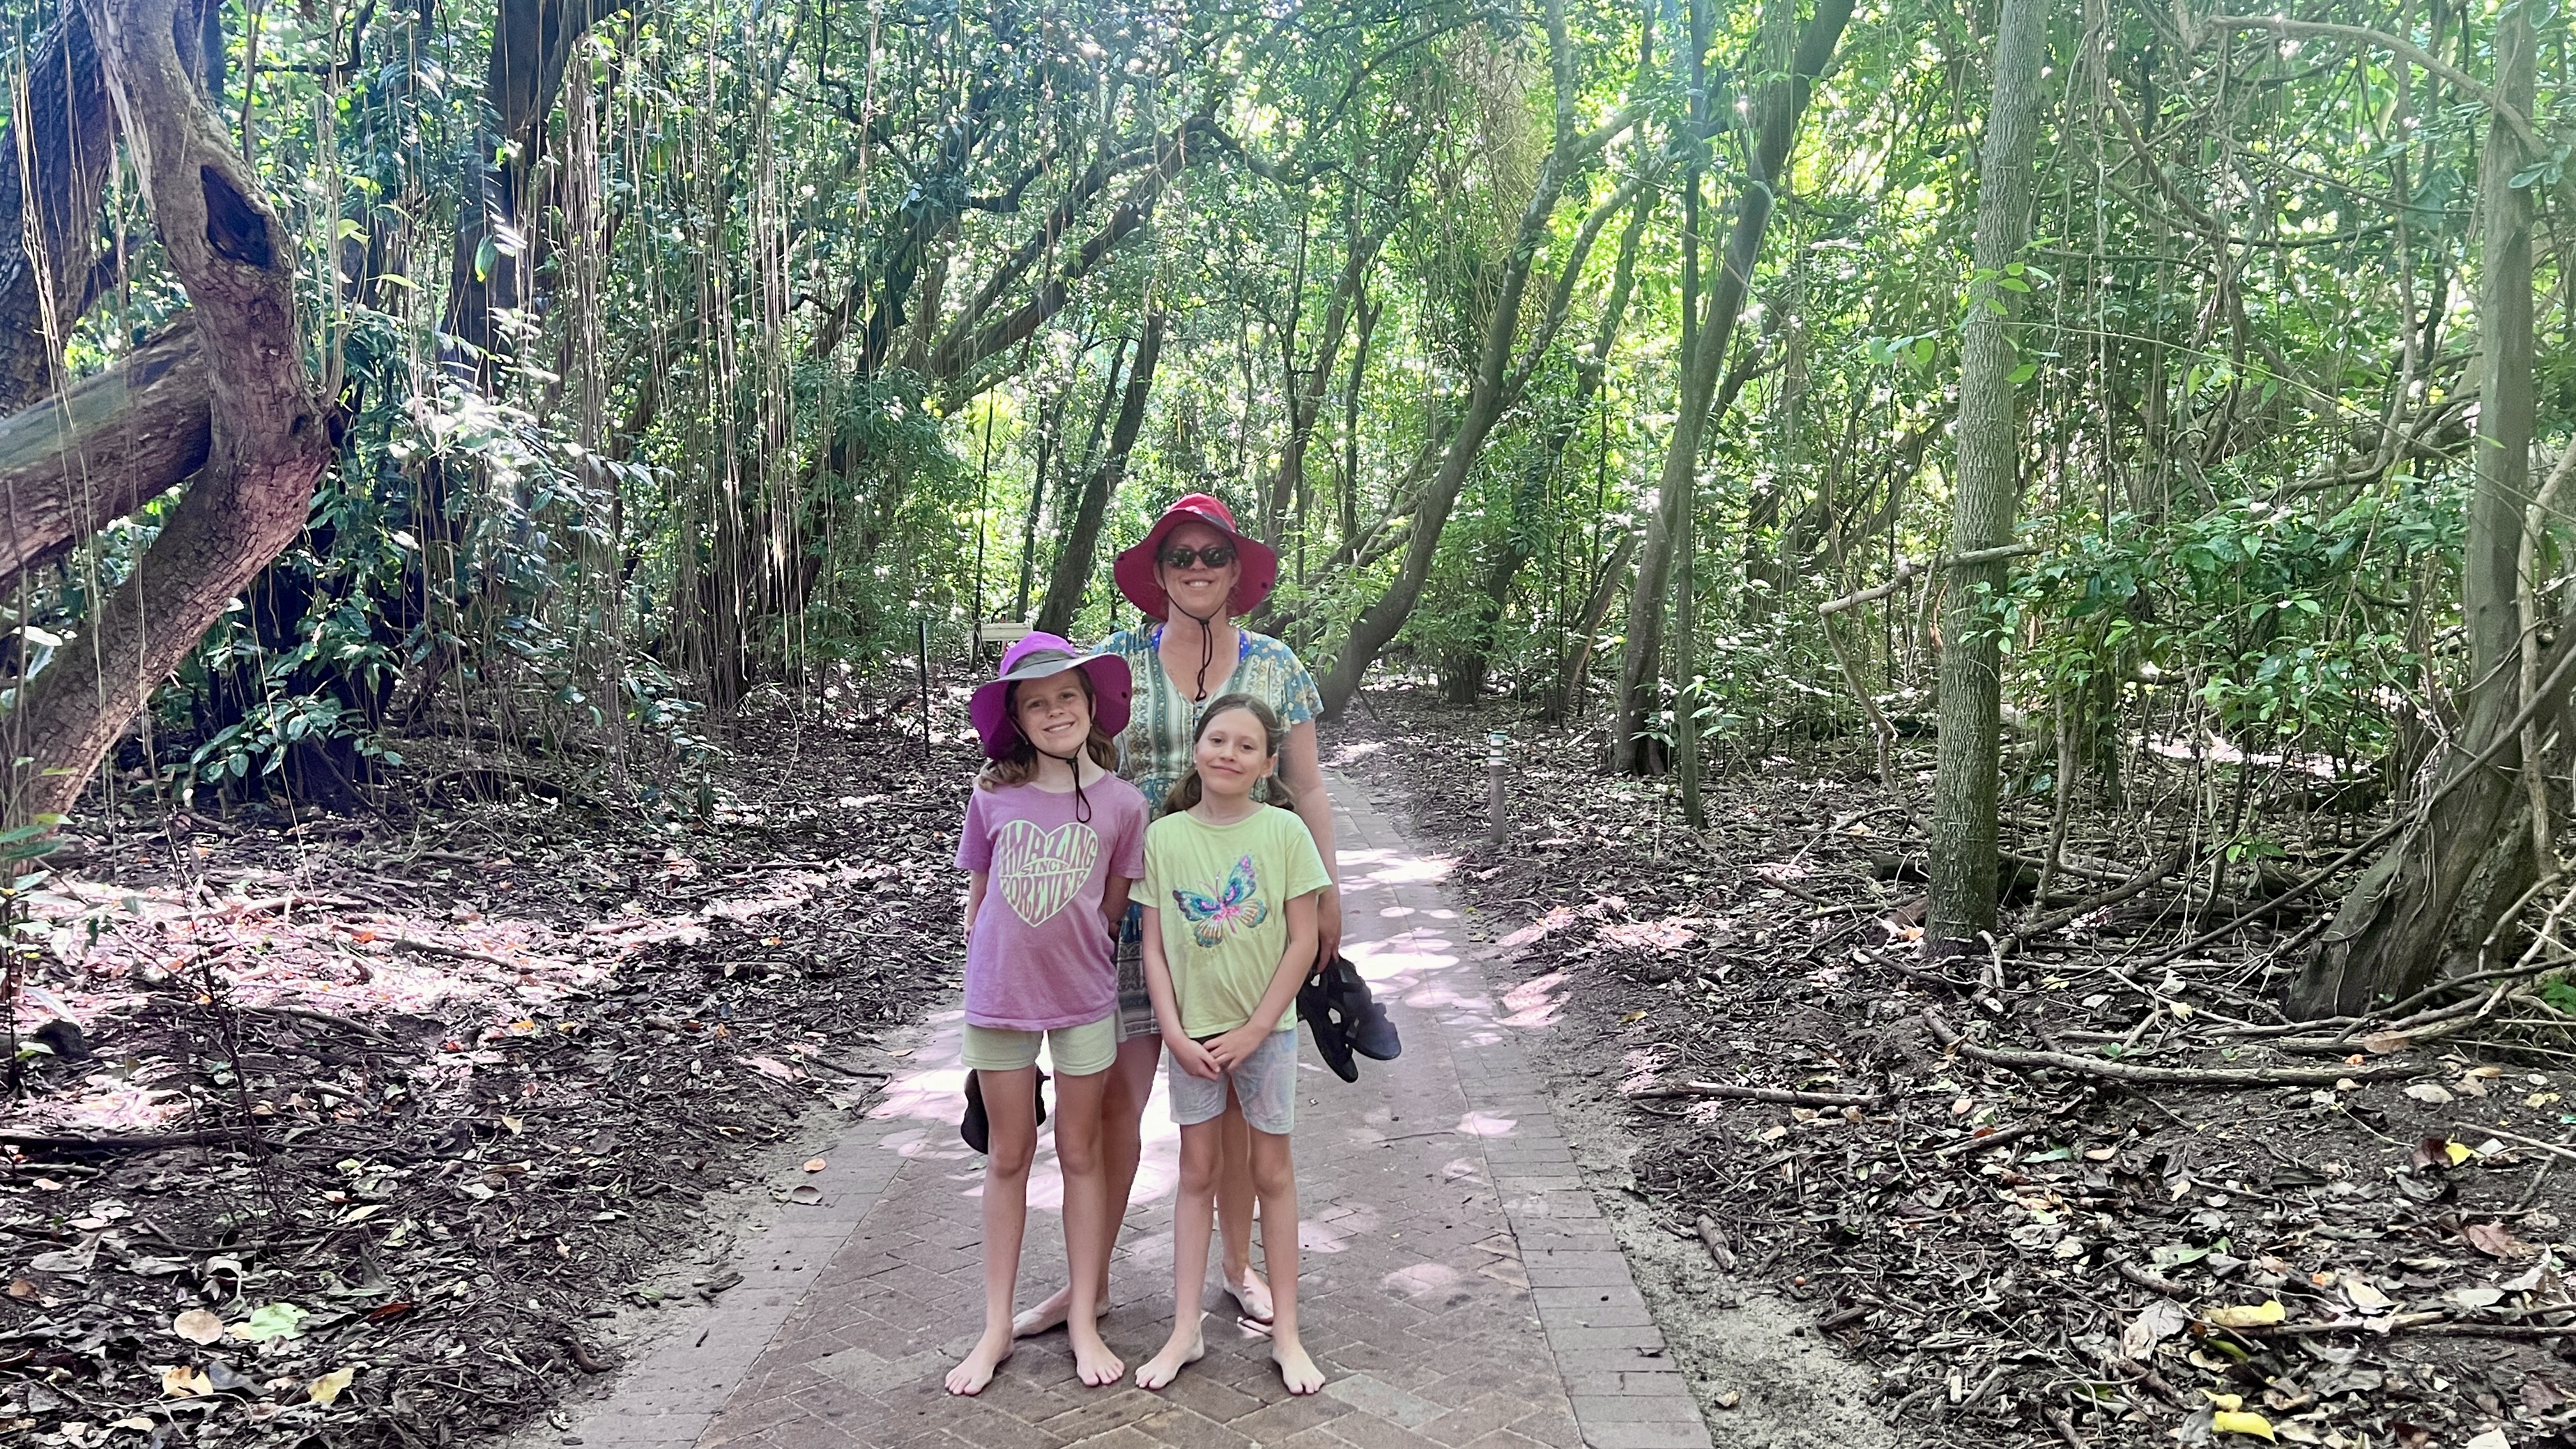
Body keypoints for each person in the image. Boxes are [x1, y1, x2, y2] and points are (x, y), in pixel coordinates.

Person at [1016, 493, 1343, 1338]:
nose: (1198, 570)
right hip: (1131, 908)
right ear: (1156, 573)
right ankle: (1084, 1286)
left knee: (1233, 1106)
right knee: (1116, 1103)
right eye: (1181, 557)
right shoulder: (1116, 658)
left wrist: (1328, 895)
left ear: (1237, 571)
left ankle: (1236, 1269)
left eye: (1213, 557)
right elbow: (1064, 740)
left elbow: (1306, 786)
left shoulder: (1277, 665)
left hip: (1245, 917)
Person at [946, 634, 1149, 1395]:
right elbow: (978, 904)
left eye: (1067, 696)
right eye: (1036, 702)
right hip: (1000, 999)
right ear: (1017, 718)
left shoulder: (1126, 805)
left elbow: (1111, 912)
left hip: (1085, 1002)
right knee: (1008, 1155)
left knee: (1082, 1155)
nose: (1054, 710)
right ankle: (996, 1325)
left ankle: (1085, 1316)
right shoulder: (991, 796)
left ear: (1091, 706)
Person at [1133, 694, 1330, 1395]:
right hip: (1194, 1038)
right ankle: (1184, 1330)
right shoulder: (1165, 838)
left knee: (1272, 1174)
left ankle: (1288, 1336)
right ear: (1197, 747)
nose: (1229, 754)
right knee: (1196, 1172)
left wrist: (1255, 1027)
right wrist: (1177, 1033)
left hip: (1266, 1036)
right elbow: (1154, 950)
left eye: (1247, 747)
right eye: (1218, 740)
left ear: (1268, 763)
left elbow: (1302, 939)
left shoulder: (1283, 833)